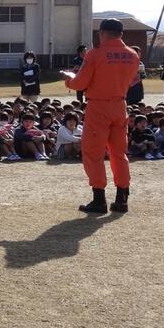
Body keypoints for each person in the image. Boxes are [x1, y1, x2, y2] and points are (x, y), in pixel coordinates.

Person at [64, 19, 140, 213]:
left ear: (102, 33)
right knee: (119, 153)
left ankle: (99, 200)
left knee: (93, 153)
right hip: (120, 105)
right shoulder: (133, 55)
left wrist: (69, 81)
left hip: (98, 107)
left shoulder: (95, 54)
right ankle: (122, 198)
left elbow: (80, 83)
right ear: (121, 34)